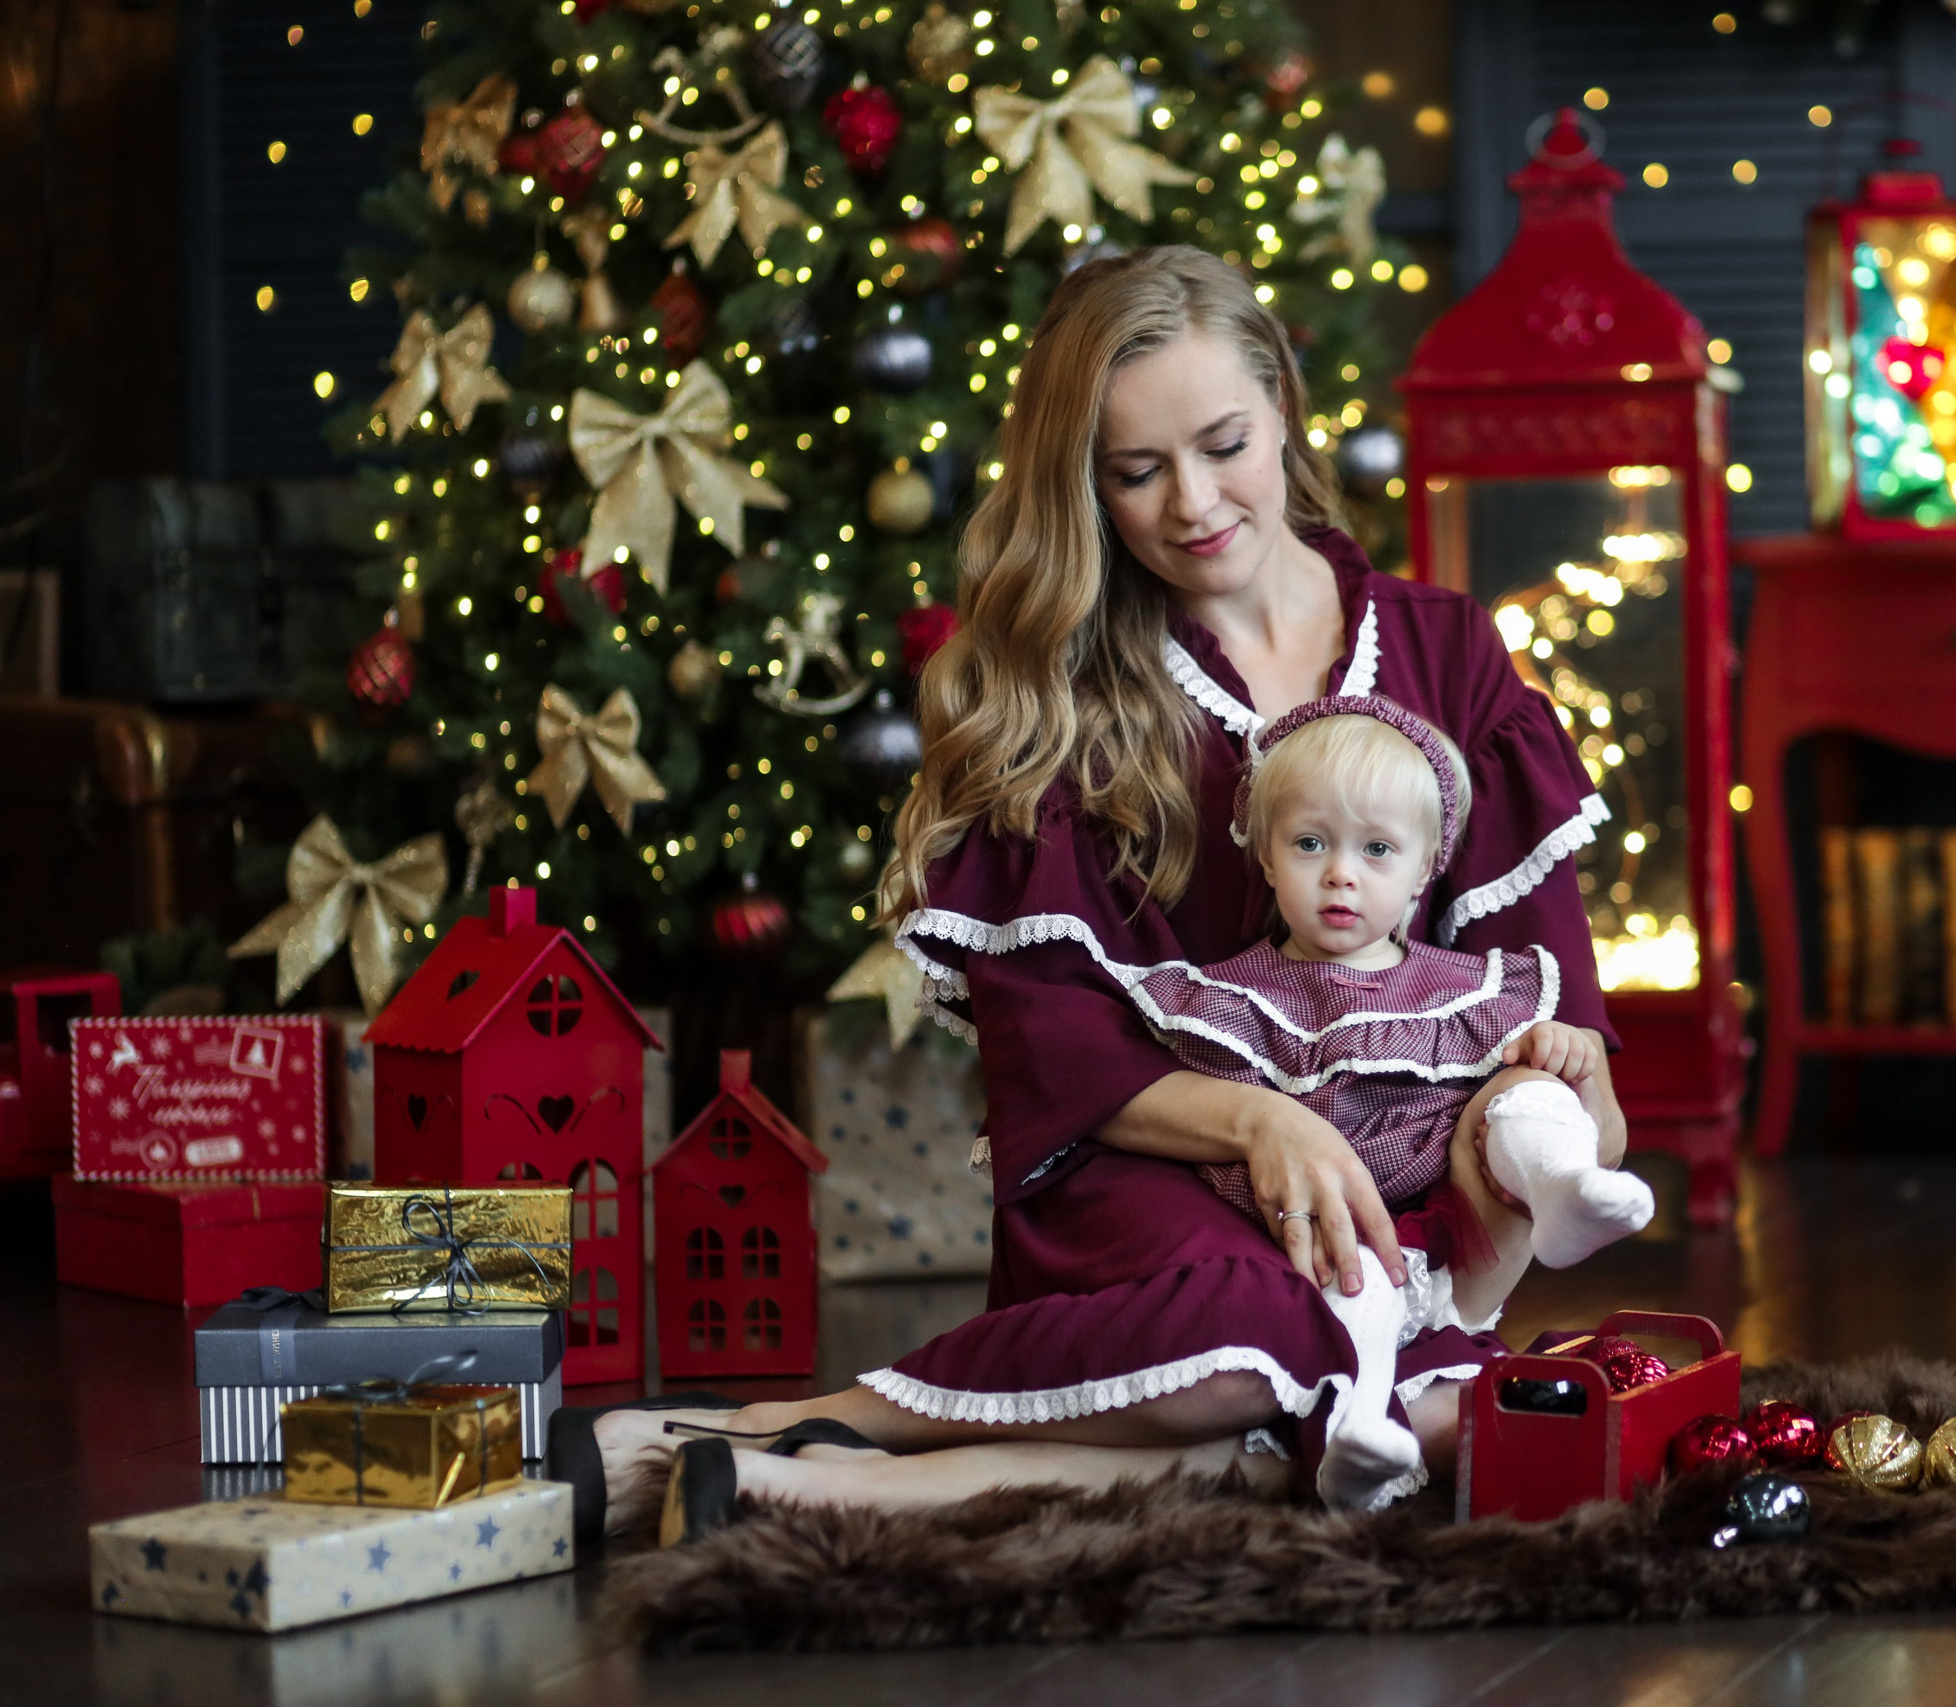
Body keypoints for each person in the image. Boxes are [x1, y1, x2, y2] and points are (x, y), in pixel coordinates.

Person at [554, 244, 1627, 1543]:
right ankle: (788, 1422)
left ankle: (792, 1478)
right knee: (1267, 1352)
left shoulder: (1451, 650)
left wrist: (1527, 1141)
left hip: (1392, 1200)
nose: (1192, 502)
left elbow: (1565, 1055)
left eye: (1224, 442)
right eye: (1136, 471)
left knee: (1386, 1410)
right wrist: (1257, 1122)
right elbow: (1049, 1046)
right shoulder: (1070, 694)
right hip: (1147, 1175)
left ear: (1282, 402)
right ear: (1087, 483)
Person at [1122, 694, 1654, 1511]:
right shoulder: (1228, 997)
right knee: (1355, 1280)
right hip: (1326, 1229)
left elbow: (1535, 1071)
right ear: (1265, 854)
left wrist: (1566, 1054)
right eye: (1310, 844)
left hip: (1447, 1207)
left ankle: (1562, 1189)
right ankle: (1361, 1427)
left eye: (1377, 849)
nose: (1342, 872)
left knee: (1531, 1092)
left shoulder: (1467, 989)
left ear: (1423, 868)